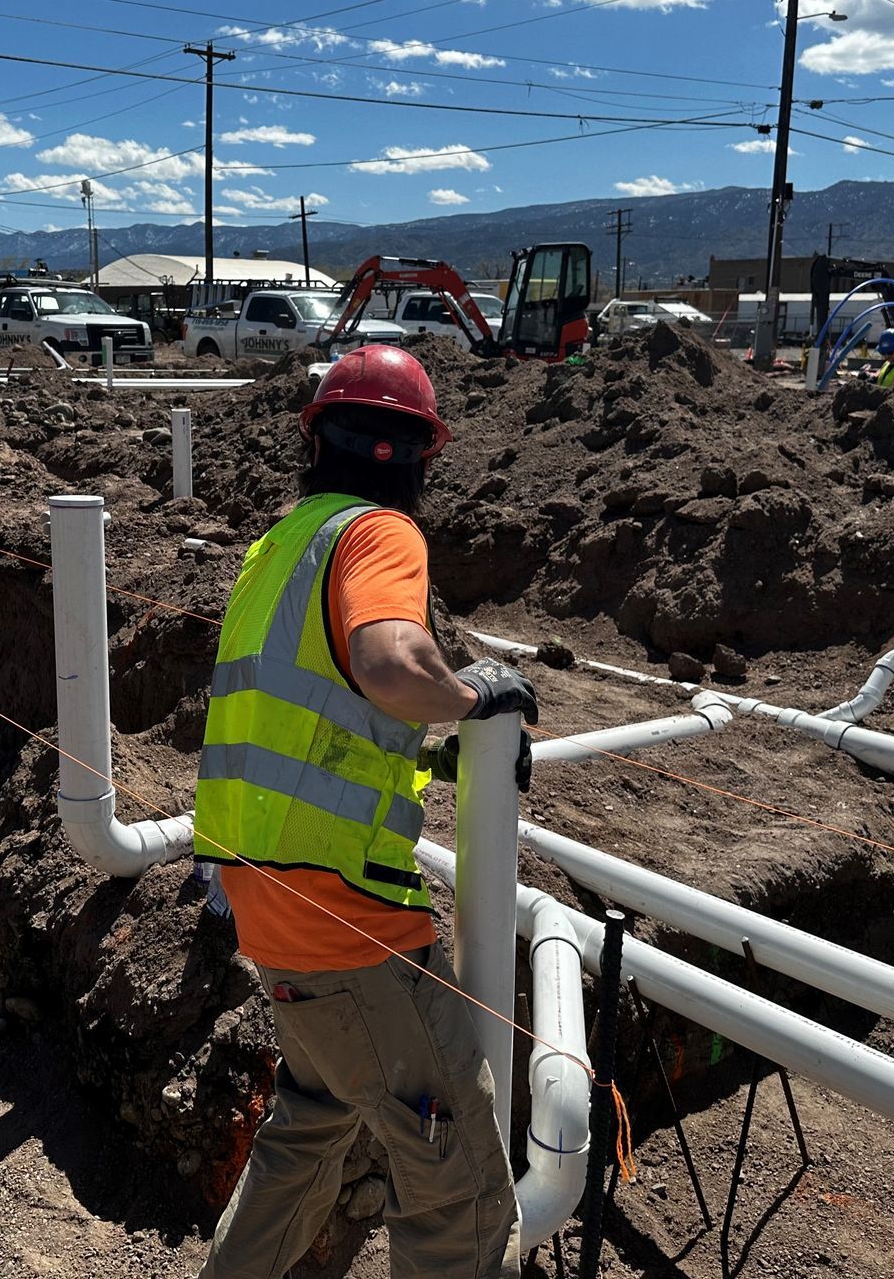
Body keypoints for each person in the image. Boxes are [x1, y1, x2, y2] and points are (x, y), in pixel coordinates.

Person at [194, 344, 539, 1279]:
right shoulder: (381, 534)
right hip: (350, 927)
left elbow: (317, 717)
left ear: (316, 441)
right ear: (422, 457)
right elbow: (389, 665)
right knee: (461, 1196)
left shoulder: (277, 549)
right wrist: (475, 698)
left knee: (310, 1129)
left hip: (265, 905)